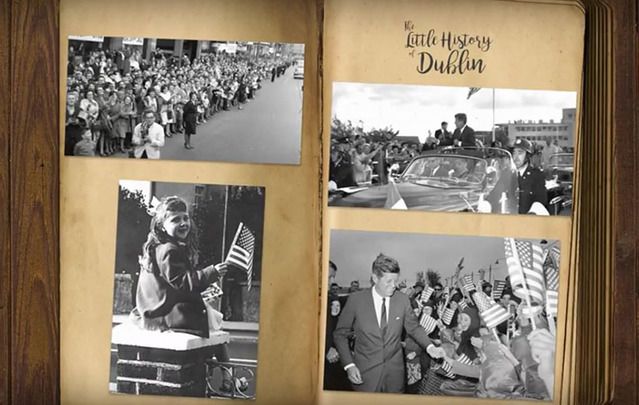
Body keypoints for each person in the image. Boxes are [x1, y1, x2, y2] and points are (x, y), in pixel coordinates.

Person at [333, 253, 445, 392]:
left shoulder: (403, 300)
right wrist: (349, 365)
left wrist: (430, 347)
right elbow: (340, 334)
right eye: (389, 281)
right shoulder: (356, 300)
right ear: (375, 278)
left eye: (395, 281)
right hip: (364, 374)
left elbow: (414, 328)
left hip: (395, 376)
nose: (394, 286)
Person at [132, 196, 229, 337]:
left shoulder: (161, 247)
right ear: (161, 226)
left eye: (185, 218)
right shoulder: (169, 250)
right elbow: (183, 281)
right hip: (165, 314)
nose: (183, 223)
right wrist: (211, 273)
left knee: (212, 318)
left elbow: (174, 283)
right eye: (175, 220)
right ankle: (213, 358)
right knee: (213, 325)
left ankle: (213, 357)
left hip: (156, 308)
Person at [324, 261, 351, 391]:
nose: (332, 281)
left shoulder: (329, 299)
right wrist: (326, 349)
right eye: (329, 277)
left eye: (333, 277)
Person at [512, 138, 548, 214]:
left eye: (520, 153)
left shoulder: (536, 175)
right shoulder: (508, 173)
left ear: (527, 156)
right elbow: (493, 195)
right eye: (514, 153)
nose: (516, 157)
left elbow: (541, 201)